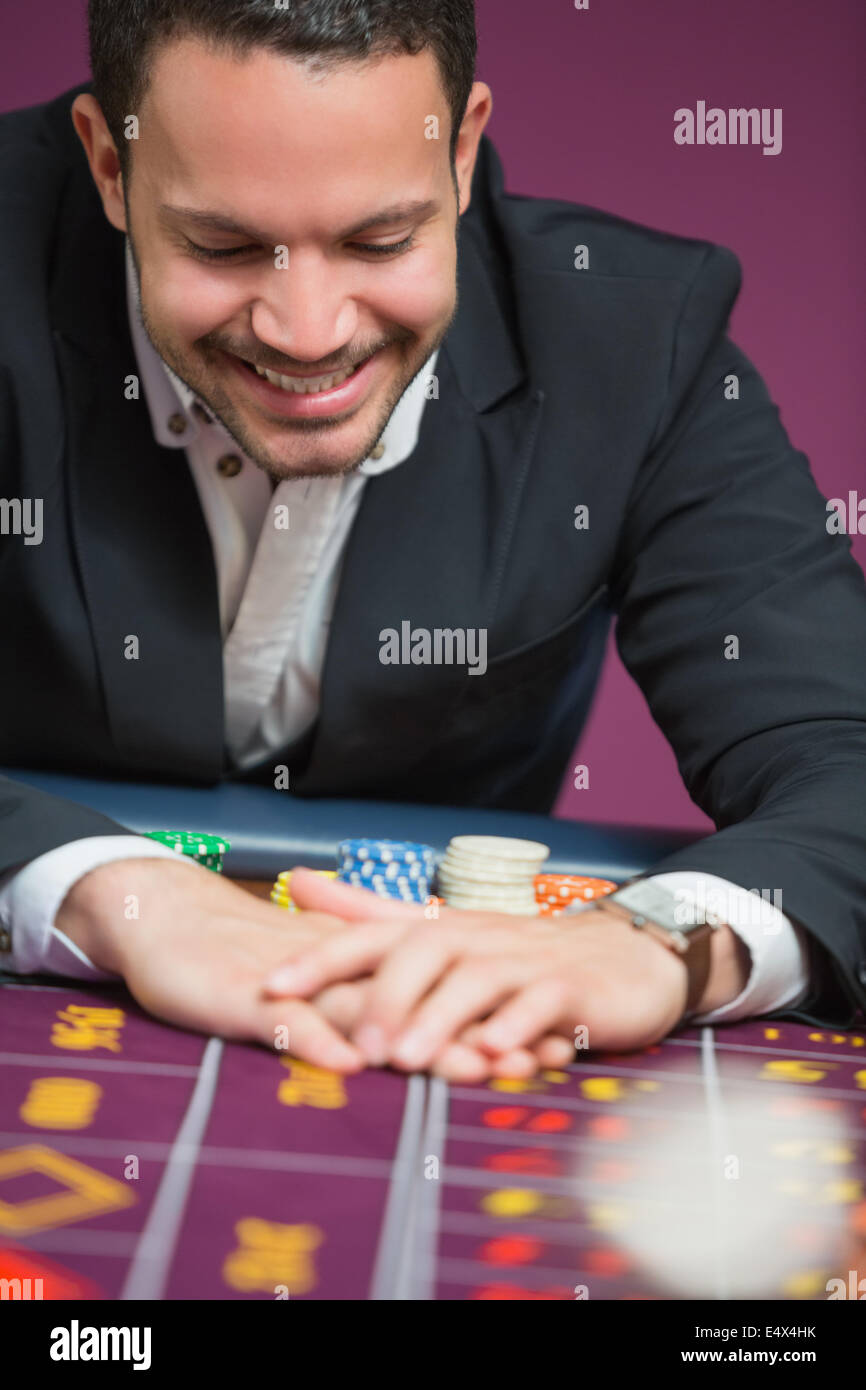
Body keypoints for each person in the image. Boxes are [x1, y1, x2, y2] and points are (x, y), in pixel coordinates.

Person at [1, 0, 864, 1082]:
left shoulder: (632, 344)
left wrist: (659, 945)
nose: (306, 333)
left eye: (379, 239)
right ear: (108, 164)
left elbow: (844, 757)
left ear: (460, 151)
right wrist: (107, 891)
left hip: (444, 1051)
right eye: (221, 244)